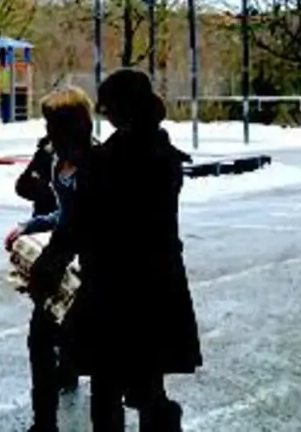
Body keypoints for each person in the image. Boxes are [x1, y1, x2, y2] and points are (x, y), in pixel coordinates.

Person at [56, 69, 200, 432]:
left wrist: (50, 262)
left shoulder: (106, 161)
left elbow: (80, 221)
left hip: (112, 286)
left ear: (118, 109)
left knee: (106, 386)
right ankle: (164, 420)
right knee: (148, 380)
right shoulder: (164, 156)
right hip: (158, 282)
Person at [3, 86, 94, 431]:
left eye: (52, 123)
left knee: (89, 351)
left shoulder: (96, 163)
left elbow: (84, 219)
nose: (46, 131)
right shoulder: (57, 160)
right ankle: (44, 422)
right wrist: (30, 225)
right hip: (58, 263)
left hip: (87, 268)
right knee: (39, 341)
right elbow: (64, 214)